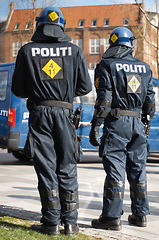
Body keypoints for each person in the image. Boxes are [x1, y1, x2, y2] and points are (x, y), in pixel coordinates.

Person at [11, 6, 92, 236]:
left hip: (39, 114)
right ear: (61, 26)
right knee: (67, 166)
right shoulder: (74, 51)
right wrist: (64, 91)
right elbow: (85, 87)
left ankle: (51, 223)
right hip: (65, 114)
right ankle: (70, 224)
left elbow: (18, 88)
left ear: (40, 25)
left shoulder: (27, 50)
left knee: (46, 167)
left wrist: (39, 90)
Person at [89, 27, 155, 230]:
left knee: (115, 169)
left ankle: (111, 217)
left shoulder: (106, 65)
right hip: (137, 123)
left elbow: (104, 99)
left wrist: (96, 125)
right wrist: (146, 124)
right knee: (138, 168)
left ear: (113, 44)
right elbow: (150, 101)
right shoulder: (145, 68)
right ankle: (140, 215)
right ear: (130, 45)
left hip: (117, 123)